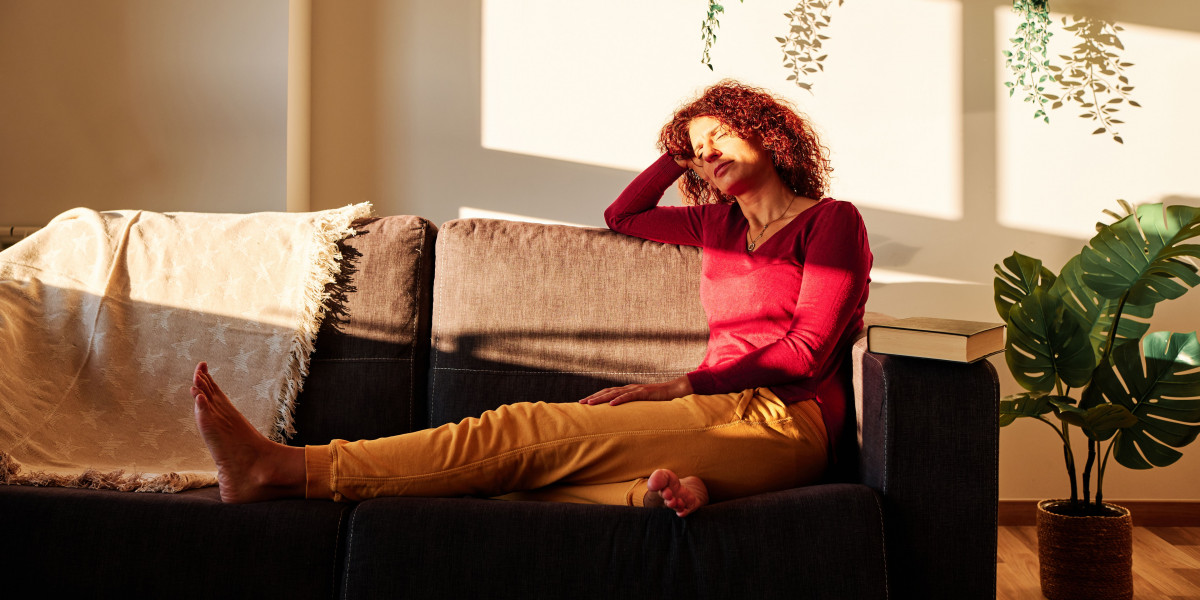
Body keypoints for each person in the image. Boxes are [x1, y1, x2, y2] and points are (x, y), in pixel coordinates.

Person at [191, 79, 872, 517]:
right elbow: (623, 215)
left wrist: (671, 388)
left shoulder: (831, 220)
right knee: (512, 482)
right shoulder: (714, 222)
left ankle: (286, 468)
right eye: (698, 148)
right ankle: (656, 496)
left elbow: (807, 352)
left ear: (767, 128)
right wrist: (678, 147)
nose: (708, 151)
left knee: (519, 434)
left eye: (722, 132)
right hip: (711, 411)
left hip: (785, 422)